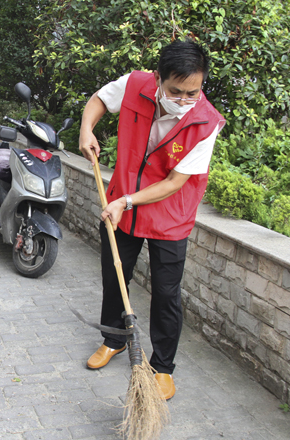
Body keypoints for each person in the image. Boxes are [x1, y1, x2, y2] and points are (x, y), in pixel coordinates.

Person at [79, 39, 225, 401]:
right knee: (116, 277)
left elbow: (175, 183)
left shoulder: (206, 123)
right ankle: (113, 339)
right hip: (124, 207)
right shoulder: (134, 84)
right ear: (158, 77)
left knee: (166, 293)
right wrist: (86, 128)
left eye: (193, 92)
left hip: (169, 216)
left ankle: (163, 367)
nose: (185, 100)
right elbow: (98, 100)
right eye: (176, 91)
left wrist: (126, 201)